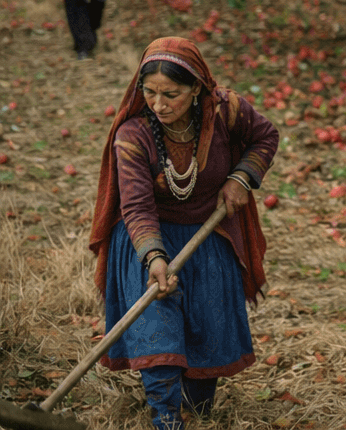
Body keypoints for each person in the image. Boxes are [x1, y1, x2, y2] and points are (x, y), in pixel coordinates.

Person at [89, 38, 279, 430]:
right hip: (148, 237)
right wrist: (154, 258)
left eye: (171, 94)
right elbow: (137, 207)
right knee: (157, 326)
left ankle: (197, 405)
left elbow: (266, 137)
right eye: (150, 92)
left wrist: (242, 176)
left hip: (207, 237)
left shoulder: (227, 112)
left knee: (206, 325)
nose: (159, 105)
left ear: (196, 89)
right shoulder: (133, 135)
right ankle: (165, 417)